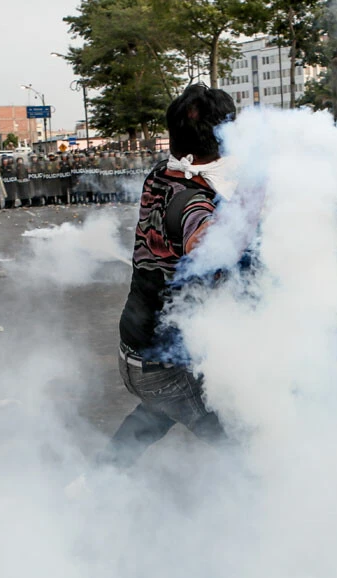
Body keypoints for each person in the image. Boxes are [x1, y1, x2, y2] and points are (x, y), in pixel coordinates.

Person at [100, 84, 235, 470]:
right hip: (164, 364)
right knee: (243, 448)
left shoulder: (163, 173)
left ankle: (95, 484)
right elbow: (204, 239)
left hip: (137, 353)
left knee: (157, 414)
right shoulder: (190, 200)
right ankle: (283, 516)